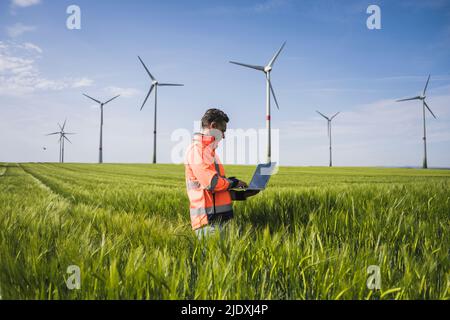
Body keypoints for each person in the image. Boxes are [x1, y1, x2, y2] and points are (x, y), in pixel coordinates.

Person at [184, 108, 259, 239]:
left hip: (220, 221)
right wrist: (234, 182)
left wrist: (242, 194)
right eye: (222, 130)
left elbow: (217, 192)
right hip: (209, 224)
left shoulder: (210, 153)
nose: (223, 136)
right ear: (213, 126)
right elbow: (212, 183)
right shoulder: (198, 150)